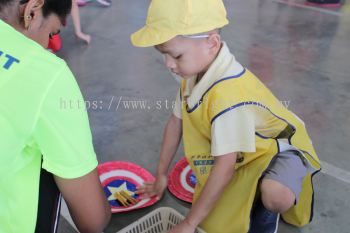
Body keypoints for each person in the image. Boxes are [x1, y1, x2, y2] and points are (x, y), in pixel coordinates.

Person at [130, 0, 321, 232]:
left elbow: (225, 166)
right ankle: (254, 181)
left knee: (275, 196)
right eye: (164, 55)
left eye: (176, 56)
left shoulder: (228, 95)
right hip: (250, 150)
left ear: (212, 43)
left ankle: (265, 203)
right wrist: (161, 175)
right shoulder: (193, 73)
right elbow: (175, 123)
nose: (169, 64)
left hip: (279, 148)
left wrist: (190, 223)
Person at [0, 0, 111, 232]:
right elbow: (93, 221)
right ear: (32, 9)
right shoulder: (45, 73)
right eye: (51, 33)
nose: (47, 45)